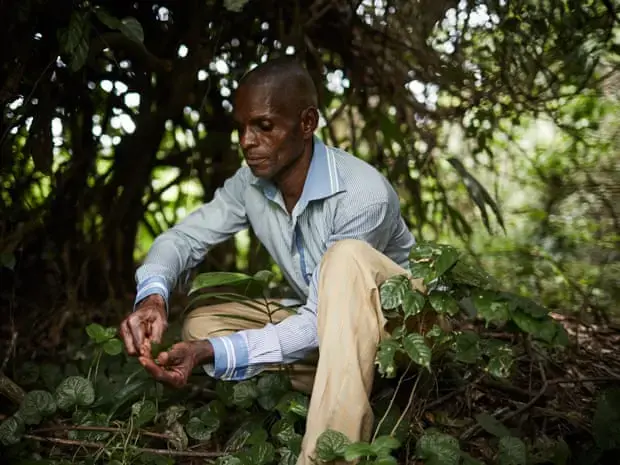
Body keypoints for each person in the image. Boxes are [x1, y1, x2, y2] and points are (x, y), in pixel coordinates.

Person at [119, 57, 421, 465]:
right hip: (331, 337)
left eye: (263, 126)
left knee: (345, 258)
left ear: (307, 123)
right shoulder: (252, 183)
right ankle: (354, 385)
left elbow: (319, 321)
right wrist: (152, 298)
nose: (247, 141)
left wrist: (213, 353)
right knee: (201, 322)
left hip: (405, 335)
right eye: (241, 128)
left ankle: (330, 455)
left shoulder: (362, 193)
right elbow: (184, 238)